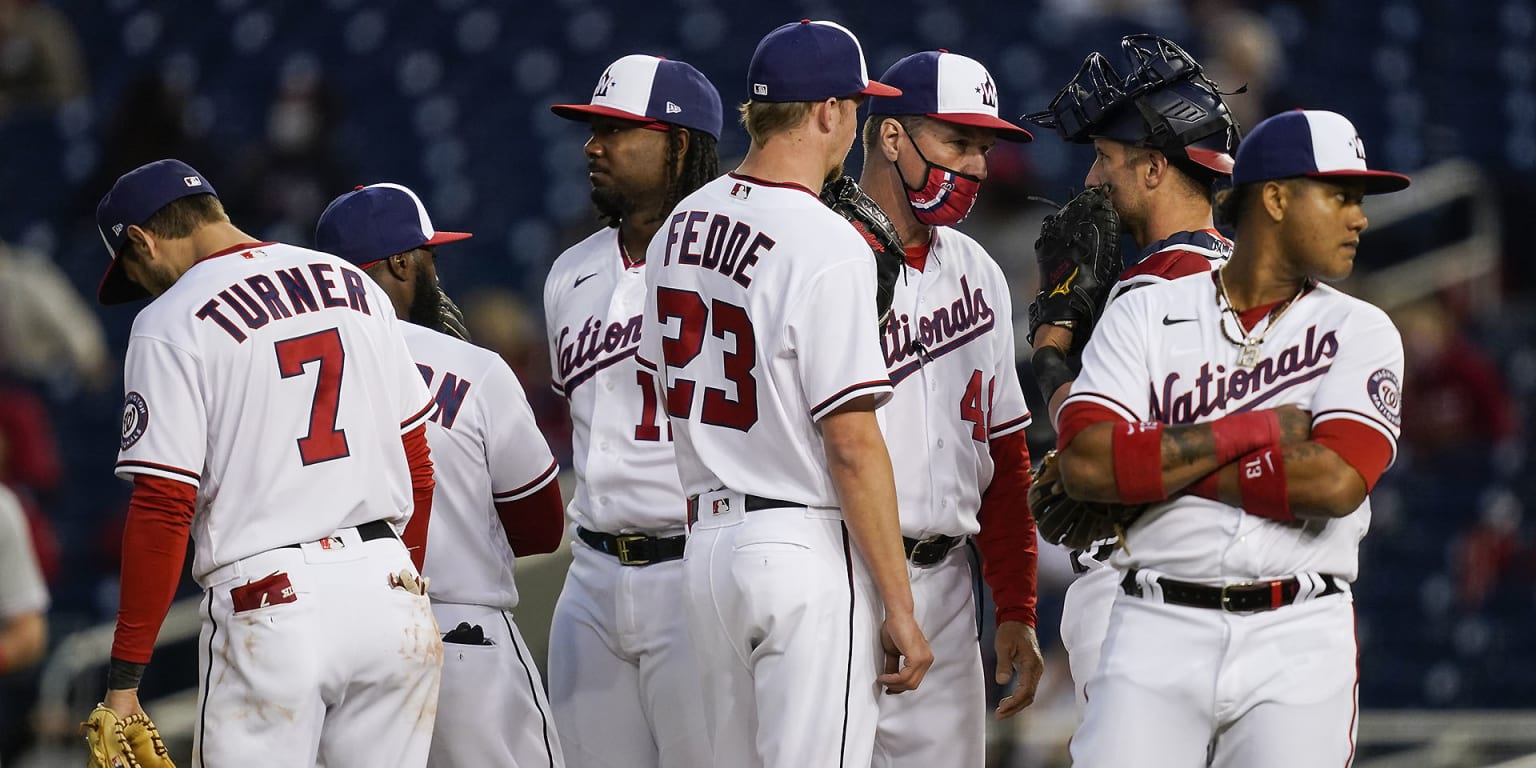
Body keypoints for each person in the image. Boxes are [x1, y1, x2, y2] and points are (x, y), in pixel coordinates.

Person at [1055, 109, 1410, 767]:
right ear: (1274, 198)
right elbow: (1085, 463)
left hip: (1298, 636)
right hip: (1154, 623)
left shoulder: (1362, 331)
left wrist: (1158, 464)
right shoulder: (1142, 310)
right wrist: (1262, 431)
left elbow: (1332, 482)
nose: (1358, 218)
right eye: (1340, 196)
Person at [638, 20, 933, 766]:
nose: (856, 127)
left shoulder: (677, 226)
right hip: (797, 545)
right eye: (857, 109)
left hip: (703, 552)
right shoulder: (825, 240)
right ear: (828, 111)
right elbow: (853, 443)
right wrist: (900, 604)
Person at [94, 159, 441, 766]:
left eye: (134, 270)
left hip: (271, 607)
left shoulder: (168, 322)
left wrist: (124, 682)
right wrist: (402, 578)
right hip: (390, 596)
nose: (145, 286)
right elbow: (418, 462)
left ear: (141, 240)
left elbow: (163, 507)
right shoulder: (351, 281)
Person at [1021, 33, 1242, 710]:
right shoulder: (1254, 277)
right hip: (1240, 597)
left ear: (1153, 169)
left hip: (1137, 592)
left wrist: (1053, 356)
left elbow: (1100, 448)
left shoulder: (1150, 291)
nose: (1092, 180)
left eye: (1105, 159)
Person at [316, 182, 566, 768]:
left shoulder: (296, 376)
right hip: (462, 633)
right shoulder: (472, 368)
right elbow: (542, 526)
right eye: (430, 257)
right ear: (402, 263)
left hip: (343, 648)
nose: (435, 271)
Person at [853, 50, 1042, 766]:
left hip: (945, 583)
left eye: (984, 149)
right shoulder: (819, 255)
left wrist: (1018, 608)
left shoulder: (979, 272)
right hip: (836, 572)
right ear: (892, 136)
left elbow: (1004, 457)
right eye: (958, 142)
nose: (978, 166)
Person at [542, 53, 721, 768]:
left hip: (695, 569)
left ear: (679, 145)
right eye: (594, 130)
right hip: (590, 574)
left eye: (616, 130)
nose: (593, 146)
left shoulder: (735, 261)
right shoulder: (569, 272)